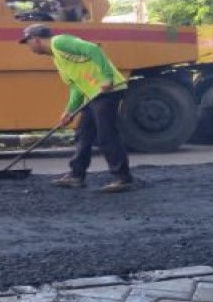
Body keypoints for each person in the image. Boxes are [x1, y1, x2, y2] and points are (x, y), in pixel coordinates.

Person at [17, 23, 135, 193]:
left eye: (28, 42)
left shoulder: (59, 42)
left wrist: (107, 77)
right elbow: (76, 87)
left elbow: (93, 49)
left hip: (108, 91)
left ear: (35, 39)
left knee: (106, 135)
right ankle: (76, 175)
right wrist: (69, 111)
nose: (29, 47)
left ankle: (123, 179)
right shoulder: (57, 57)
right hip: (92, 95)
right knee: (83, 135)